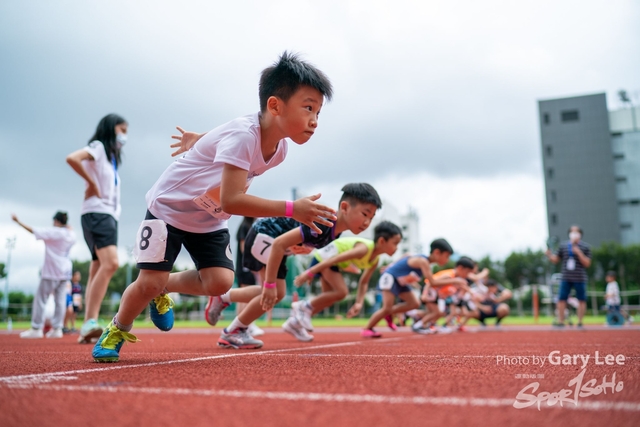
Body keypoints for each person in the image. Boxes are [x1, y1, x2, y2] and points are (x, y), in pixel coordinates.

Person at [92, 51, 335, 362]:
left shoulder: (279, 150)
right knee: (147, 282)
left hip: (208, 218)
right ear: (275, 105)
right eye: (308, 108)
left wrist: (201, 139)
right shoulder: (244, 136)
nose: (314, 121)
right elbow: (231, 199)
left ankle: (162, 290)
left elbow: (229, 143)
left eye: (318, 112)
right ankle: (116, 328)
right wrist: (292, 209)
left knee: (220, 281)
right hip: (170, 208)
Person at [211, 183, 382, 348]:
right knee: (273, 292)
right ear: (344, 207)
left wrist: (302, 249)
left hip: (274, 242)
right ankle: (233, 329)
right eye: (365, 214)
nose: (367, 222)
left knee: (274, 293)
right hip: (264, 236)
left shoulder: (334, 233)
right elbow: (279, 243)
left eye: (372, 217)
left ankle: (224, 299)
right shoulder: (324, 222)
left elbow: (295, 240)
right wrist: (270, 283)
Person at [66, 113, 127, 344]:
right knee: (111, 263)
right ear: (111, 129)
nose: (125, 135)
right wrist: (91, 183)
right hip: (97, 213)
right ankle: (91, 320)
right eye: (122, 129)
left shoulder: (110, 158)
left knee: (97, 267)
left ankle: (87, 324)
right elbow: (72, 158)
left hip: (108, 215)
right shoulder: (99, 147)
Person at [286, 220, 403, 340]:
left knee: (328, 299)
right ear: (382, 241)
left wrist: (359, 302)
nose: (397, 248)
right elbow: (333, 259)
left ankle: (294, 323)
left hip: (331, 262)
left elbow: (364, 282)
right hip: (325, 259)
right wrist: (309, 272)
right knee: (342, 292)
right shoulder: (363, 249)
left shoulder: (375, 260)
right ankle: (302, 306)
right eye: (395, 243)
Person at [361, 239, 460, 338]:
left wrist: (391, 265)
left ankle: (388, 313)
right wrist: (455, 281)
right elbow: (432, 282)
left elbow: (407, 254)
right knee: (386, 308)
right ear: (437, 252)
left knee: (414, 304)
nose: (448, 260)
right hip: (391, 277)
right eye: (447, 256)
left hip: (401, 282)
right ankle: (367, 329)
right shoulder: (423, 261)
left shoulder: (423, 261)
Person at [12, 212, 76, 339]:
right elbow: (70, 229)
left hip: (52, 271)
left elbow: (34, 230)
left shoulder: (54, 232)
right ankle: (57, 328)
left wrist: (18, 222)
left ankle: (36, 328)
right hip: (65, 271)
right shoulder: (71, 234)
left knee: (41, 299)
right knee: (60, 301)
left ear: (57, 221)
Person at [205, 217, 264, 337]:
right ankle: (245, 323)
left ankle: (244, 323)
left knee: (248, 293)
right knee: (244, 294)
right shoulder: (244, 227)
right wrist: (252, 263)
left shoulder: (252, 226)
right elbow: (244, 247)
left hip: (249, 265)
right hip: (245, 266)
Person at [411, 255, 475, 335]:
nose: (467, 275)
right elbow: (430, 282)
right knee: (436, 312)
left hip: (434, 292)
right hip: (429, 289)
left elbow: (457, 286)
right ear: (460, 268)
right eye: (467, 272)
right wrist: (425, 294)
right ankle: (418, 325)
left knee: (435, 312)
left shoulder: (456, 278)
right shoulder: (449, 275)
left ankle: (420, 320)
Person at [545, 225, 591, 328]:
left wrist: (578, 252)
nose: (574, 234)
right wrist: (549, 255)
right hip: (565, 277)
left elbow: (587, 263)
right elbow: (555, 260)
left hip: (580, 277)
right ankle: (561, 321)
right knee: (561, 299)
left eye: (576, 232)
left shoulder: (585, 247)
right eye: (572, 232)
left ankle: (579, 321)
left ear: (580, 234)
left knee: (581, 299)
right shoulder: (563, 246)